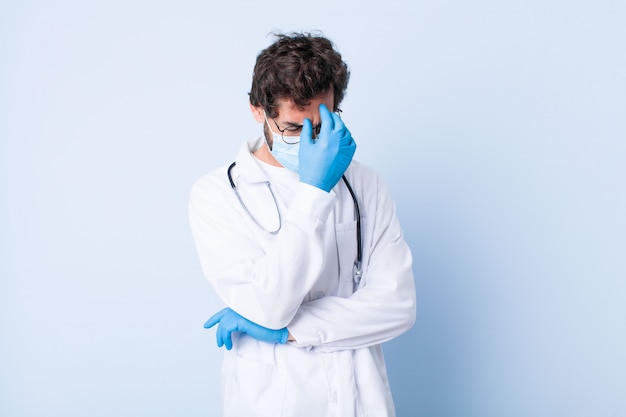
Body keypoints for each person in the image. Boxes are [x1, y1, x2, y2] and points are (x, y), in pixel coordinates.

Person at [188, 32, 416, 417]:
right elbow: (270, 306)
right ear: (258, 111)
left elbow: (398, 306)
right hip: (273, 403)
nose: (311, 141)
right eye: (294, 128)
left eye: (321, 125)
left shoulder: (364, 184)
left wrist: (288, 332)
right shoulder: (216, 194)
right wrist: (314, 191)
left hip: (360, 400)